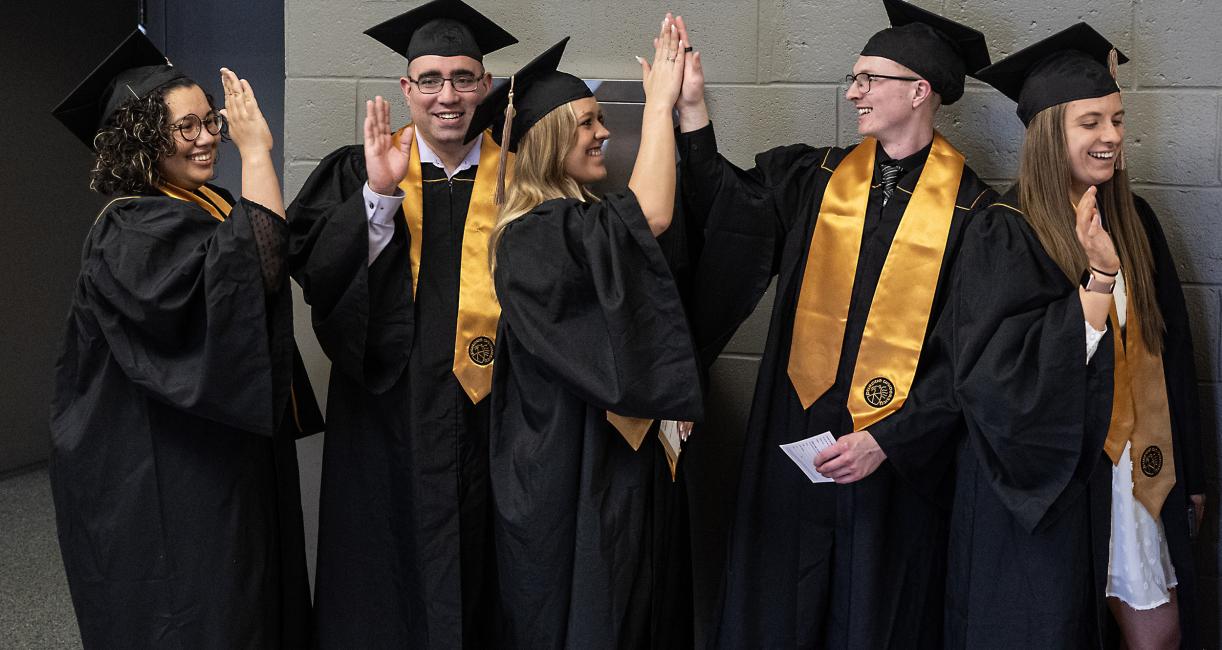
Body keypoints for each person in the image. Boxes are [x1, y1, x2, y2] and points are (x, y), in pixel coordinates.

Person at [672, 1, 997, 646]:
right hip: (792, 439)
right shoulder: (813, 177)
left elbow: (973, 359)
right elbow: (727, 209)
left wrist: (891, 441)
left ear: (919, 91)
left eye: (869, 79)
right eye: (855, 79)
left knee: (873, 611)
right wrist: (691, 111)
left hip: (890, 457)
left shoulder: (976, 214)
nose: (853, 92)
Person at [903, 22, 1204, 647]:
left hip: (1137, 472)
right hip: (1048, 480)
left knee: (1161, 634)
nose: (1112, 137)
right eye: (1090, 122)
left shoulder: (1136, 221)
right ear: (1048, 134)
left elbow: (1170, 358)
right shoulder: (1004, 231)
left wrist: (1193, 474)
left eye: (1117, 120)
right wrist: (1096, 281)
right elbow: (993, 378)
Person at [49, 28, 323, 648]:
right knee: (197, 603)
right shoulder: (131, 227)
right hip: (157, 462)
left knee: (246, 590)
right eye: (187, 127)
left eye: (211, 123)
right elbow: (258, 267)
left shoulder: (206, 205)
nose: (207, 139)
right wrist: (257, 156)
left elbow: (259, 267)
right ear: (145, 139)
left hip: (210, 451)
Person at [285, 0, 517, 646]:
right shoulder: (360, 170)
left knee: (489, 566)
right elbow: (317, 276)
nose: (449, 95)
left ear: (487, 87)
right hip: (387, 416)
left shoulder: (522, 181)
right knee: (383, 570)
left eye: (464, 77)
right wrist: (378, 200)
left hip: (493, 418)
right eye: (432, 80)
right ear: (406, 90)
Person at [470, 23, 703, 647]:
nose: (603, 133)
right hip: (561, 466)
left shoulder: (577, 218)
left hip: (599, 459)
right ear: (547, 139)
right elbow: (650, 214)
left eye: (604, 118)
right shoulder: (533, 234)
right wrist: (657, 107)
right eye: (587, 122)